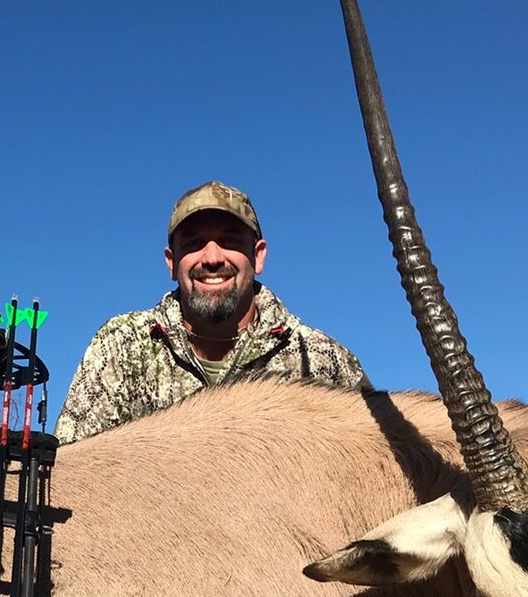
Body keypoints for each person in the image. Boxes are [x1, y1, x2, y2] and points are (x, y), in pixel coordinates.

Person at [55, 180, 369, 443]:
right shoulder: (121, 346)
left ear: (258, 256)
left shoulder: (322, 360)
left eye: (229, 241)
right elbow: (75, 467)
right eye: (194, 244)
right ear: (172, 262)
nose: (212, 257)